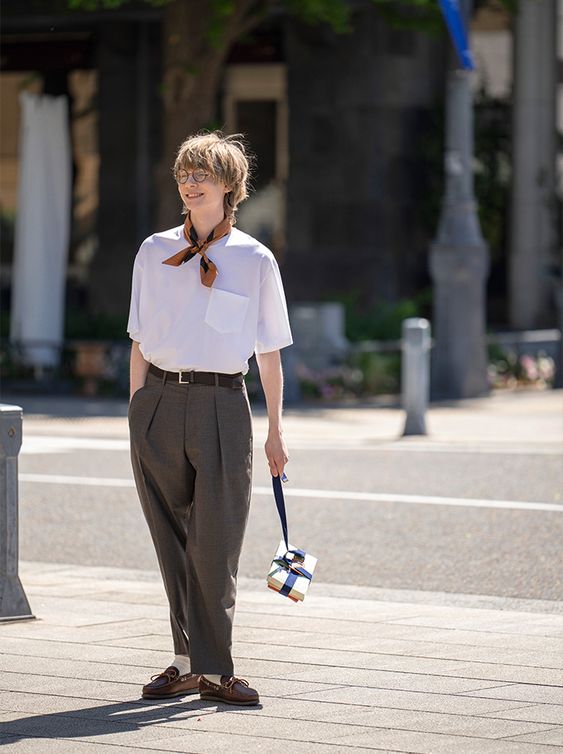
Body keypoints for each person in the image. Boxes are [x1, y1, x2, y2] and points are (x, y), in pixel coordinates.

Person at [126, 131, 293, 706]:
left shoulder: (255, 259)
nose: (191, 183)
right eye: (184, 174)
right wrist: (137, 409)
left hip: (225, 403)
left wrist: (274, 430)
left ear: (229, 186)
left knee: (216, 542)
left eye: (203, 174)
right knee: (169, 539)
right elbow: (139, 339)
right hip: (158, 405)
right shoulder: (153, 251)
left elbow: (269, 350)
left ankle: (217, 671)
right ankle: (184, 664)